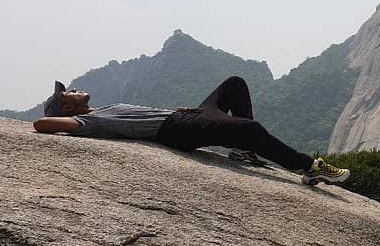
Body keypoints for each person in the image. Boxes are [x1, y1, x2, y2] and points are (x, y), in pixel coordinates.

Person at [32, 76, 349, 185]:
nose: (74, 88)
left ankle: (244, 150)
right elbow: (41, 124)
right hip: (180, 131)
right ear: (68, 108)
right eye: (67, 93)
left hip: (185, 116)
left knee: (234, 84)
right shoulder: (90, 122)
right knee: (250, 127)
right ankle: (308, 167)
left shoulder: (99, 111)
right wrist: (63, 120)